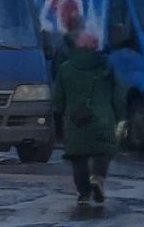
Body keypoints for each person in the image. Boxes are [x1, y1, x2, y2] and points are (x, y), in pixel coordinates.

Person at [52, 12, 126, 204]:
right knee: (104, 150)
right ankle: (98, 177)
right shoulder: (106, 66)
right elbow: (118, 93)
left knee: (78, 157)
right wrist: (121, 116)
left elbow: (58, 99)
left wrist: (59, 116)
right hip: (103, 118)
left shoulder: (66, 68)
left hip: (76, 120)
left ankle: (83, 194)